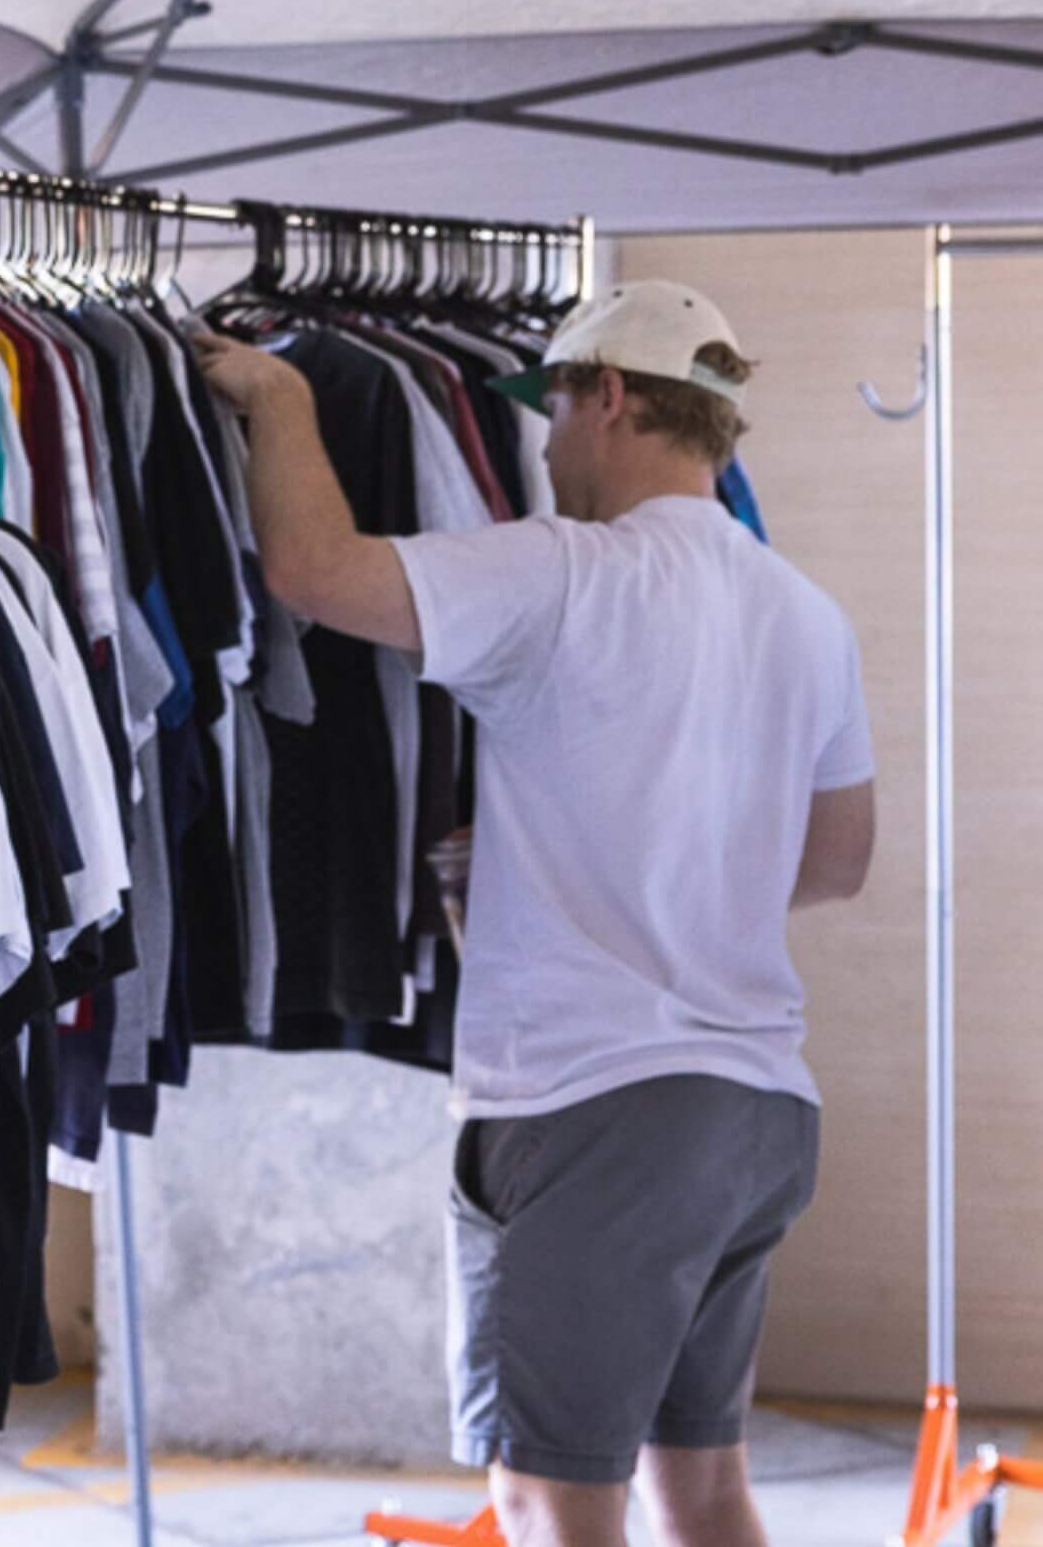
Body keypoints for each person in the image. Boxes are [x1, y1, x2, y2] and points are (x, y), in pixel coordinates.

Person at [193, 281, 876, 1547]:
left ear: (607, 396)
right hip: (758, 1109)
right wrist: (661, 857)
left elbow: (313, 571)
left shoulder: (561, 573)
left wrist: (281, 399)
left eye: (551, 407)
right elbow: (836, 861)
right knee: (698, 1483)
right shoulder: (805, 613)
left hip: (594, 1105)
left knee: (549, 1497)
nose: (545, 443)